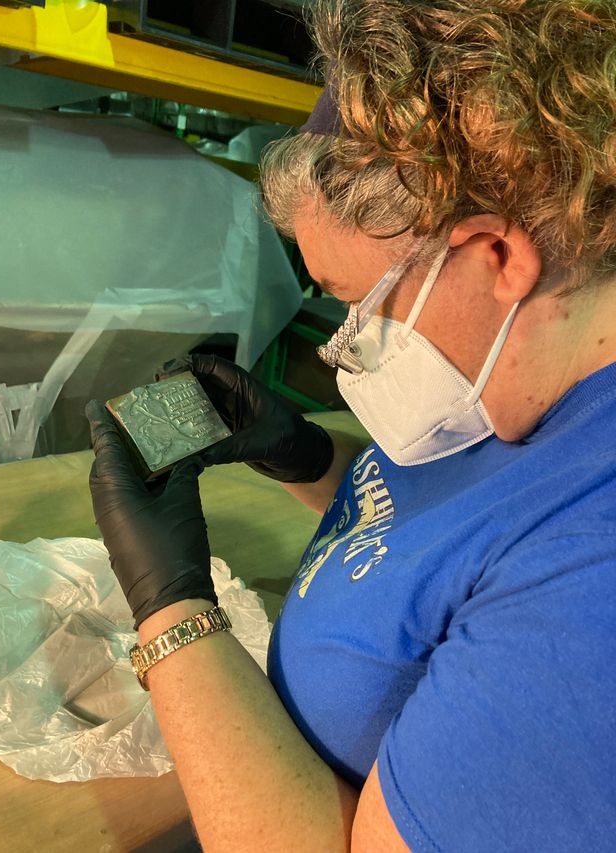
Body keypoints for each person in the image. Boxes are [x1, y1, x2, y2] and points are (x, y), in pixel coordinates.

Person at [85, 1, 616, 850]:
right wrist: (305, 455)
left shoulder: (595, 592)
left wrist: (170, 606)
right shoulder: (527, 376)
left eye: (356, 308)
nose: (344, 351)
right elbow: (455, 527)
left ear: (496, 256)